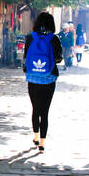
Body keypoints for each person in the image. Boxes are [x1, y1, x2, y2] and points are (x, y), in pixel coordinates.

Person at [22, 11, 64, 152]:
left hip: (33, 78)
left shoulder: (30, 37)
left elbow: (25, 58)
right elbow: (59, 58)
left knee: (35, 109)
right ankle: (42, 143)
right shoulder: (54, 39)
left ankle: (35, 135)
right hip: (49, 79)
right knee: (45, 112)